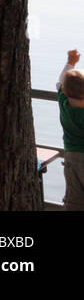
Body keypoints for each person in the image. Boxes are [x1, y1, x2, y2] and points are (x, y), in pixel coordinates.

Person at [61, 49, 84, 210]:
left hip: (71, 156)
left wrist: (70, 63)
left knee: (74, 200)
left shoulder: (63, 102)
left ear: (64, 90)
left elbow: (60, 81)